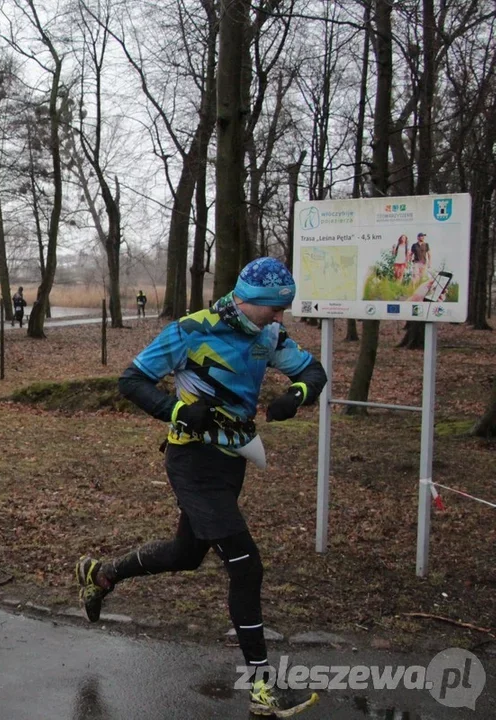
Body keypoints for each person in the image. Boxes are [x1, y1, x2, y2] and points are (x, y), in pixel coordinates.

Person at [75, 257, 327, 717]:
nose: (280, 317)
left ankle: (102, 574)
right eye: (274, 308)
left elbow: (313, 372)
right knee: (246, 567)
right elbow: (131, 380)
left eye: (283, 309)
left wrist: (296, 396)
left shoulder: (266, 335)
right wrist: (177, 410)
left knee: (185, 554)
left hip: (233, 461)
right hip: (191, 460)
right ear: (248, 300)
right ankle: (263, 689)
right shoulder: (191, 330)